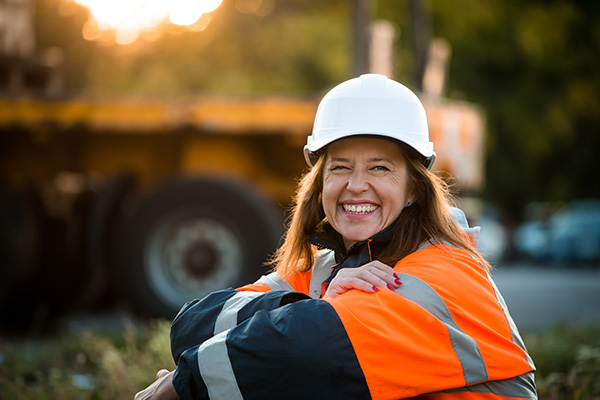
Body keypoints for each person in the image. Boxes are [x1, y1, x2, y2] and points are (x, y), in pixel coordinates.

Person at [135, 74, 537, 400]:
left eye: (380, 168)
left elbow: (300, 351)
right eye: (340, 167)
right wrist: (310, 303)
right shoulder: (328, 269)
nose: (356, 185)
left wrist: (178, 386)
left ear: (414, 188)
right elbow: (192, 322)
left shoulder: (444, 272)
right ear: (320, 182)